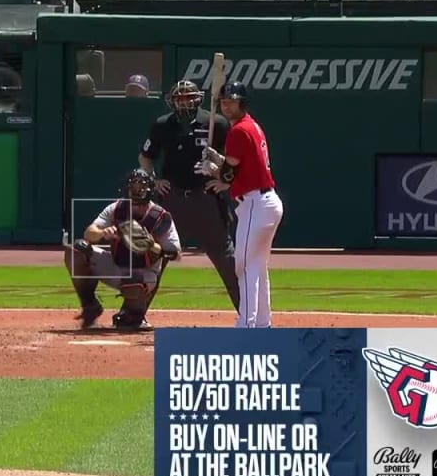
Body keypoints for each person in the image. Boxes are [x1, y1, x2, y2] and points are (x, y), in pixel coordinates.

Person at [138, 80, 241, 313]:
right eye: (179, 98)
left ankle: (249, 314)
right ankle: (135, 313)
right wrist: (154, 181)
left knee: (226, 257)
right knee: (153, 255)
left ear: (197, 98)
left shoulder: (217, 123)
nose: (184, 102)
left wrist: (219, 171)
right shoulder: (162, 125)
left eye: (188, 97)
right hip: (172, 198)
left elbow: (233, 161)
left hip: (205, 198)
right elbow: (145, 157)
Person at [196, 82, 284, 329]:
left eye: (231, 101)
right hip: (263, 201)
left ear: (242, 103)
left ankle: (246, 323)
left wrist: (214, 169)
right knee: (256, 265)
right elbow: (241, 169)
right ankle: (263, 323)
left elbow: (229, 171)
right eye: (224, 102)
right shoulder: (251, 126)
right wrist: (220, 166)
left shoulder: (238, 131)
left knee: (243, 264)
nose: (226, 105)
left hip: (257, 203)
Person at [65, 168, 181, 331]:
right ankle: (90, 306)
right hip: (115, 264)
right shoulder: (116, 208)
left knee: (134, 283)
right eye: (133, 186)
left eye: (140, 186)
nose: (137, 190)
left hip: (144, 272)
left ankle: (133, 314)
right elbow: (89, 233)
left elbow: (175, 253)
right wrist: (103, 233)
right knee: (77, 250)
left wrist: (151, 245)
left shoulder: (160, 216)